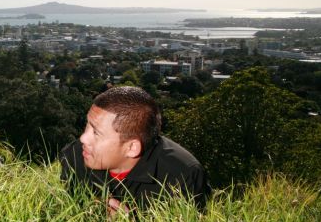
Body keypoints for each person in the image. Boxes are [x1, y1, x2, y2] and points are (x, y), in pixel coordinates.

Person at [60, 86, 209, 215]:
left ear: (132, 148)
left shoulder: (182, 176)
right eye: (87, 125)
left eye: (96, 133)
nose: (83, 139)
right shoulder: (74, 155)